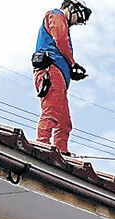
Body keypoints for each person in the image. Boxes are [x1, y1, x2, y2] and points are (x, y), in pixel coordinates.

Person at [33, 1, 91, 154]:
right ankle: (42, 146)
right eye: (79, 18)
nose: (78, 22)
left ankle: (61, 153)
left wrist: (71, 68)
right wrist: (72, 64)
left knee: (64, 123)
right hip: (51, 70)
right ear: (72, 7)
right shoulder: (56, 15)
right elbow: (61, 40)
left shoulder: (63, 23)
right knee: (51, 111)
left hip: (59, 76)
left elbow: (62, 43)